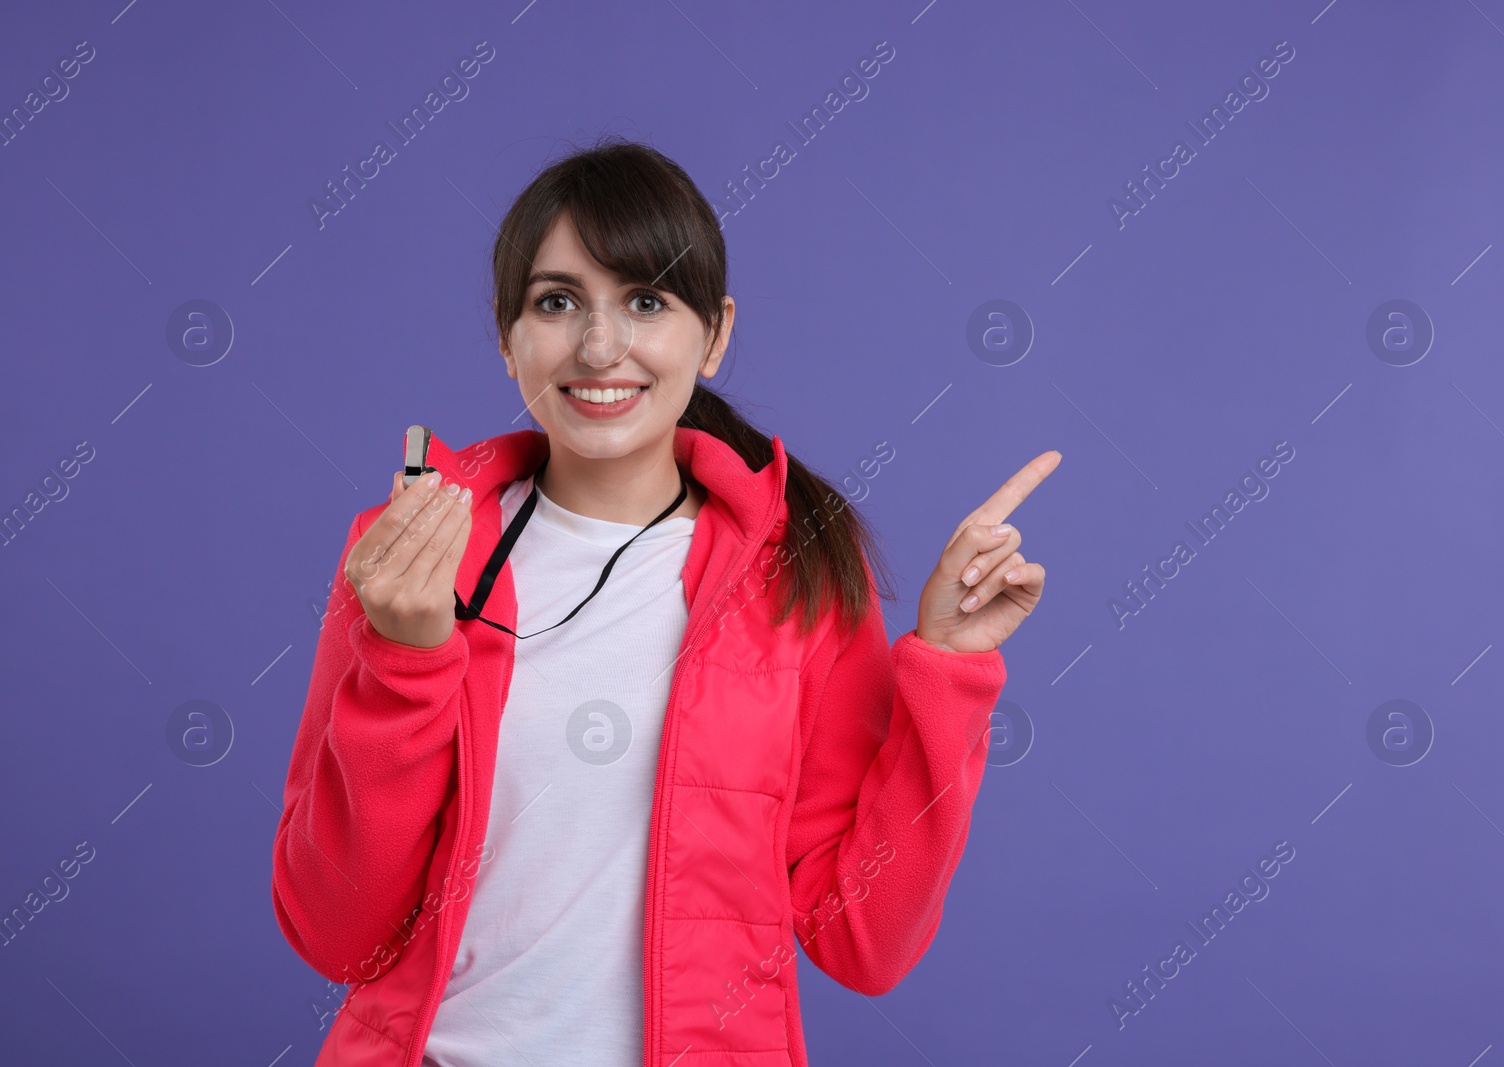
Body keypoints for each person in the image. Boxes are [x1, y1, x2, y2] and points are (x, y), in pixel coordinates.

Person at [271, 136, 1059, 1067]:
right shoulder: (407, 550)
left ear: (716, 334)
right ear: (506, 337)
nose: (600, 346)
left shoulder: (798, 565)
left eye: (646, 301)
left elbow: (864, 939)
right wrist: (405, 659)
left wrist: (951, 668)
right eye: (557, 302)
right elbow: (337, 932)